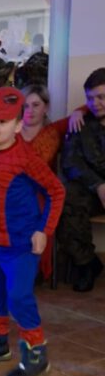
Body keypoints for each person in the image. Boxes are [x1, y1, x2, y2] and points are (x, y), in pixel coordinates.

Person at [0, 87, 64, 376]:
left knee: (18, 297)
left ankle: (36, 353)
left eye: (3, 121)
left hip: (21, 243)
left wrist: (44, 230)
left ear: (18, 125)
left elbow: (56, 191)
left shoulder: (26, 157)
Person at [0, 84, 83, 282]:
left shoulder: (52, 132)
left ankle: (27, 265)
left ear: (46, 107)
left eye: (36, 105)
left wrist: (79, 111)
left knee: (31, 208)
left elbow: (92, 107)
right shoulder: (3, 133)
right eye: (25, 106)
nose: (30, 110)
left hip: (36, 191)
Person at [57, 68, 105, 292]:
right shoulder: (80, 124)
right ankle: (87, 264)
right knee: (66, 198)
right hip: (91, 193)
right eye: (90, 98)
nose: (95, 104)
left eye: (101, 97)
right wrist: (98, 185)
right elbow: (70, 162)